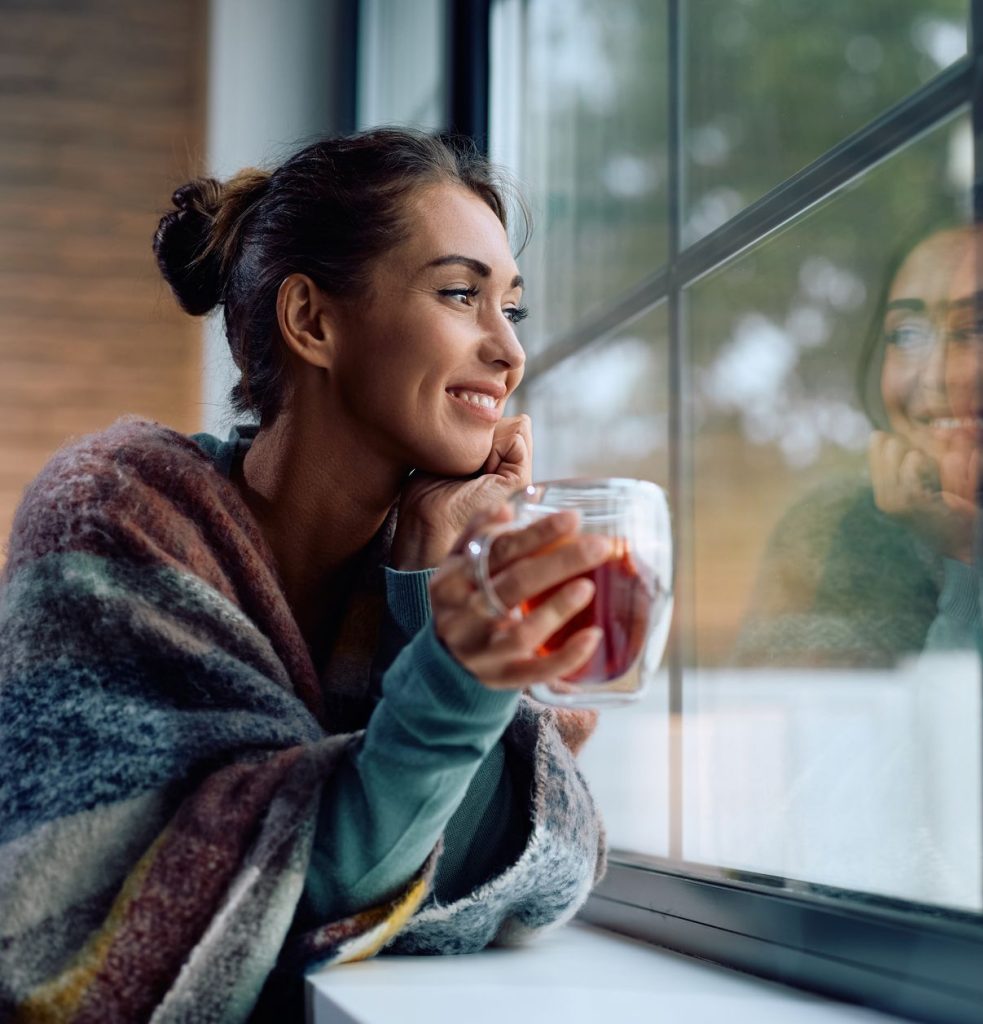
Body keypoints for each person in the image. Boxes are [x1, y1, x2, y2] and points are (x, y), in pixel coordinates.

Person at [0, 128, 609, 1023]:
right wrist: (454, 675)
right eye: (459, 295)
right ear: (313, 321)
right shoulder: (112, 515)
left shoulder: (433, 549)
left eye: (509, 309)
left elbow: (519, 862)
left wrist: (426, 570)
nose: (508, 352)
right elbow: (288, 881)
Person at [734, 191, 983, 667]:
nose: (936, 378)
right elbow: (813, 731)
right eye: (907, 334)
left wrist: (974, 556)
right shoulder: (841, 527)